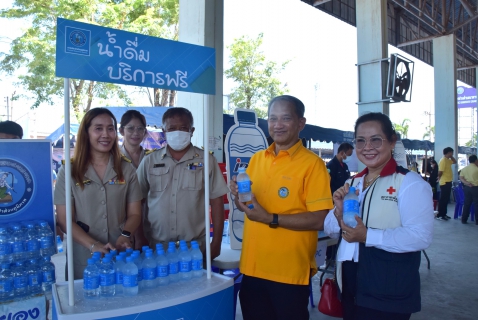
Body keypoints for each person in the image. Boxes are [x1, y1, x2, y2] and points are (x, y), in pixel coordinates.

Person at [230, 95, 333, 320]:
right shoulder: (257, 159)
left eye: (285, 118)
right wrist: (238, 195)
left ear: (300, 123)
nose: (278, 125)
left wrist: (271, 218)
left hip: (289, 273)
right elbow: (249, 205)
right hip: (252, 268)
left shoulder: (312, 165)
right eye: (272, 118)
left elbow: (320, 219)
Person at [324, 112, 434, 320]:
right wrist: (338, 211)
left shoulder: (409, 183)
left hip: (388, 290)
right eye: (360, 141)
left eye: (376, 139)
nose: (367, 147)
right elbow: (330, 228)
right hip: (350, 283)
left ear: (392, 142)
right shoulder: (354, 182)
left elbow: (421, 236)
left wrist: (367, 236)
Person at [54, 108, 142, 279]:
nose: (106, 134)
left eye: (110, 129)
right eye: (98, 128)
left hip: (119, 253)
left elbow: (135, 213)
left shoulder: (127, 169)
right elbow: (64, 220)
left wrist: (126, 234)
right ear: (86, 133)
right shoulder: (69, 171)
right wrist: (93, 245)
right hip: (83, 257)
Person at [136, 107, 228, 259]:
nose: (178, 132)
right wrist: (140, 239)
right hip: (157, 247)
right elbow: (137, 201)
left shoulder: (206, 160)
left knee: (197, 283)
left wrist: (216, 241)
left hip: (195, 248)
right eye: (172, 128)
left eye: (183, 128)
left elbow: (216, 201)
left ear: (192, 130)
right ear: (164, 131)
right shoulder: (149, 161)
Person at [436, 147, 457, 221]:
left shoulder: (448, 160)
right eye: (452, 152)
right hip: (444, 182)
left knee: (446, 199)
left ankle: (444, 214)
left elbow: (455, 162)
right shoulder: (443, 160)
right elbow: (440, 171)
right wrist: (439, 178)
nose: (452, 154)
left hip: (448, 181)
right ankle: (440, 215)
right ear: (449, 152)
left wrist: (451, 156)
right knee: (443, 199)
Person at [459, 155, 478, 224]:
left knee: (467, 203)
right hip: (476, 188)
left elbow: (461, 178)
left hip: (467, 188)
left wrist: (467, 183)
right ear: (476, 160)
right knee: (476, 204)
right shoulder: (476, 169)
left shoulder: (464, 169)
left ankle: (464, 219)